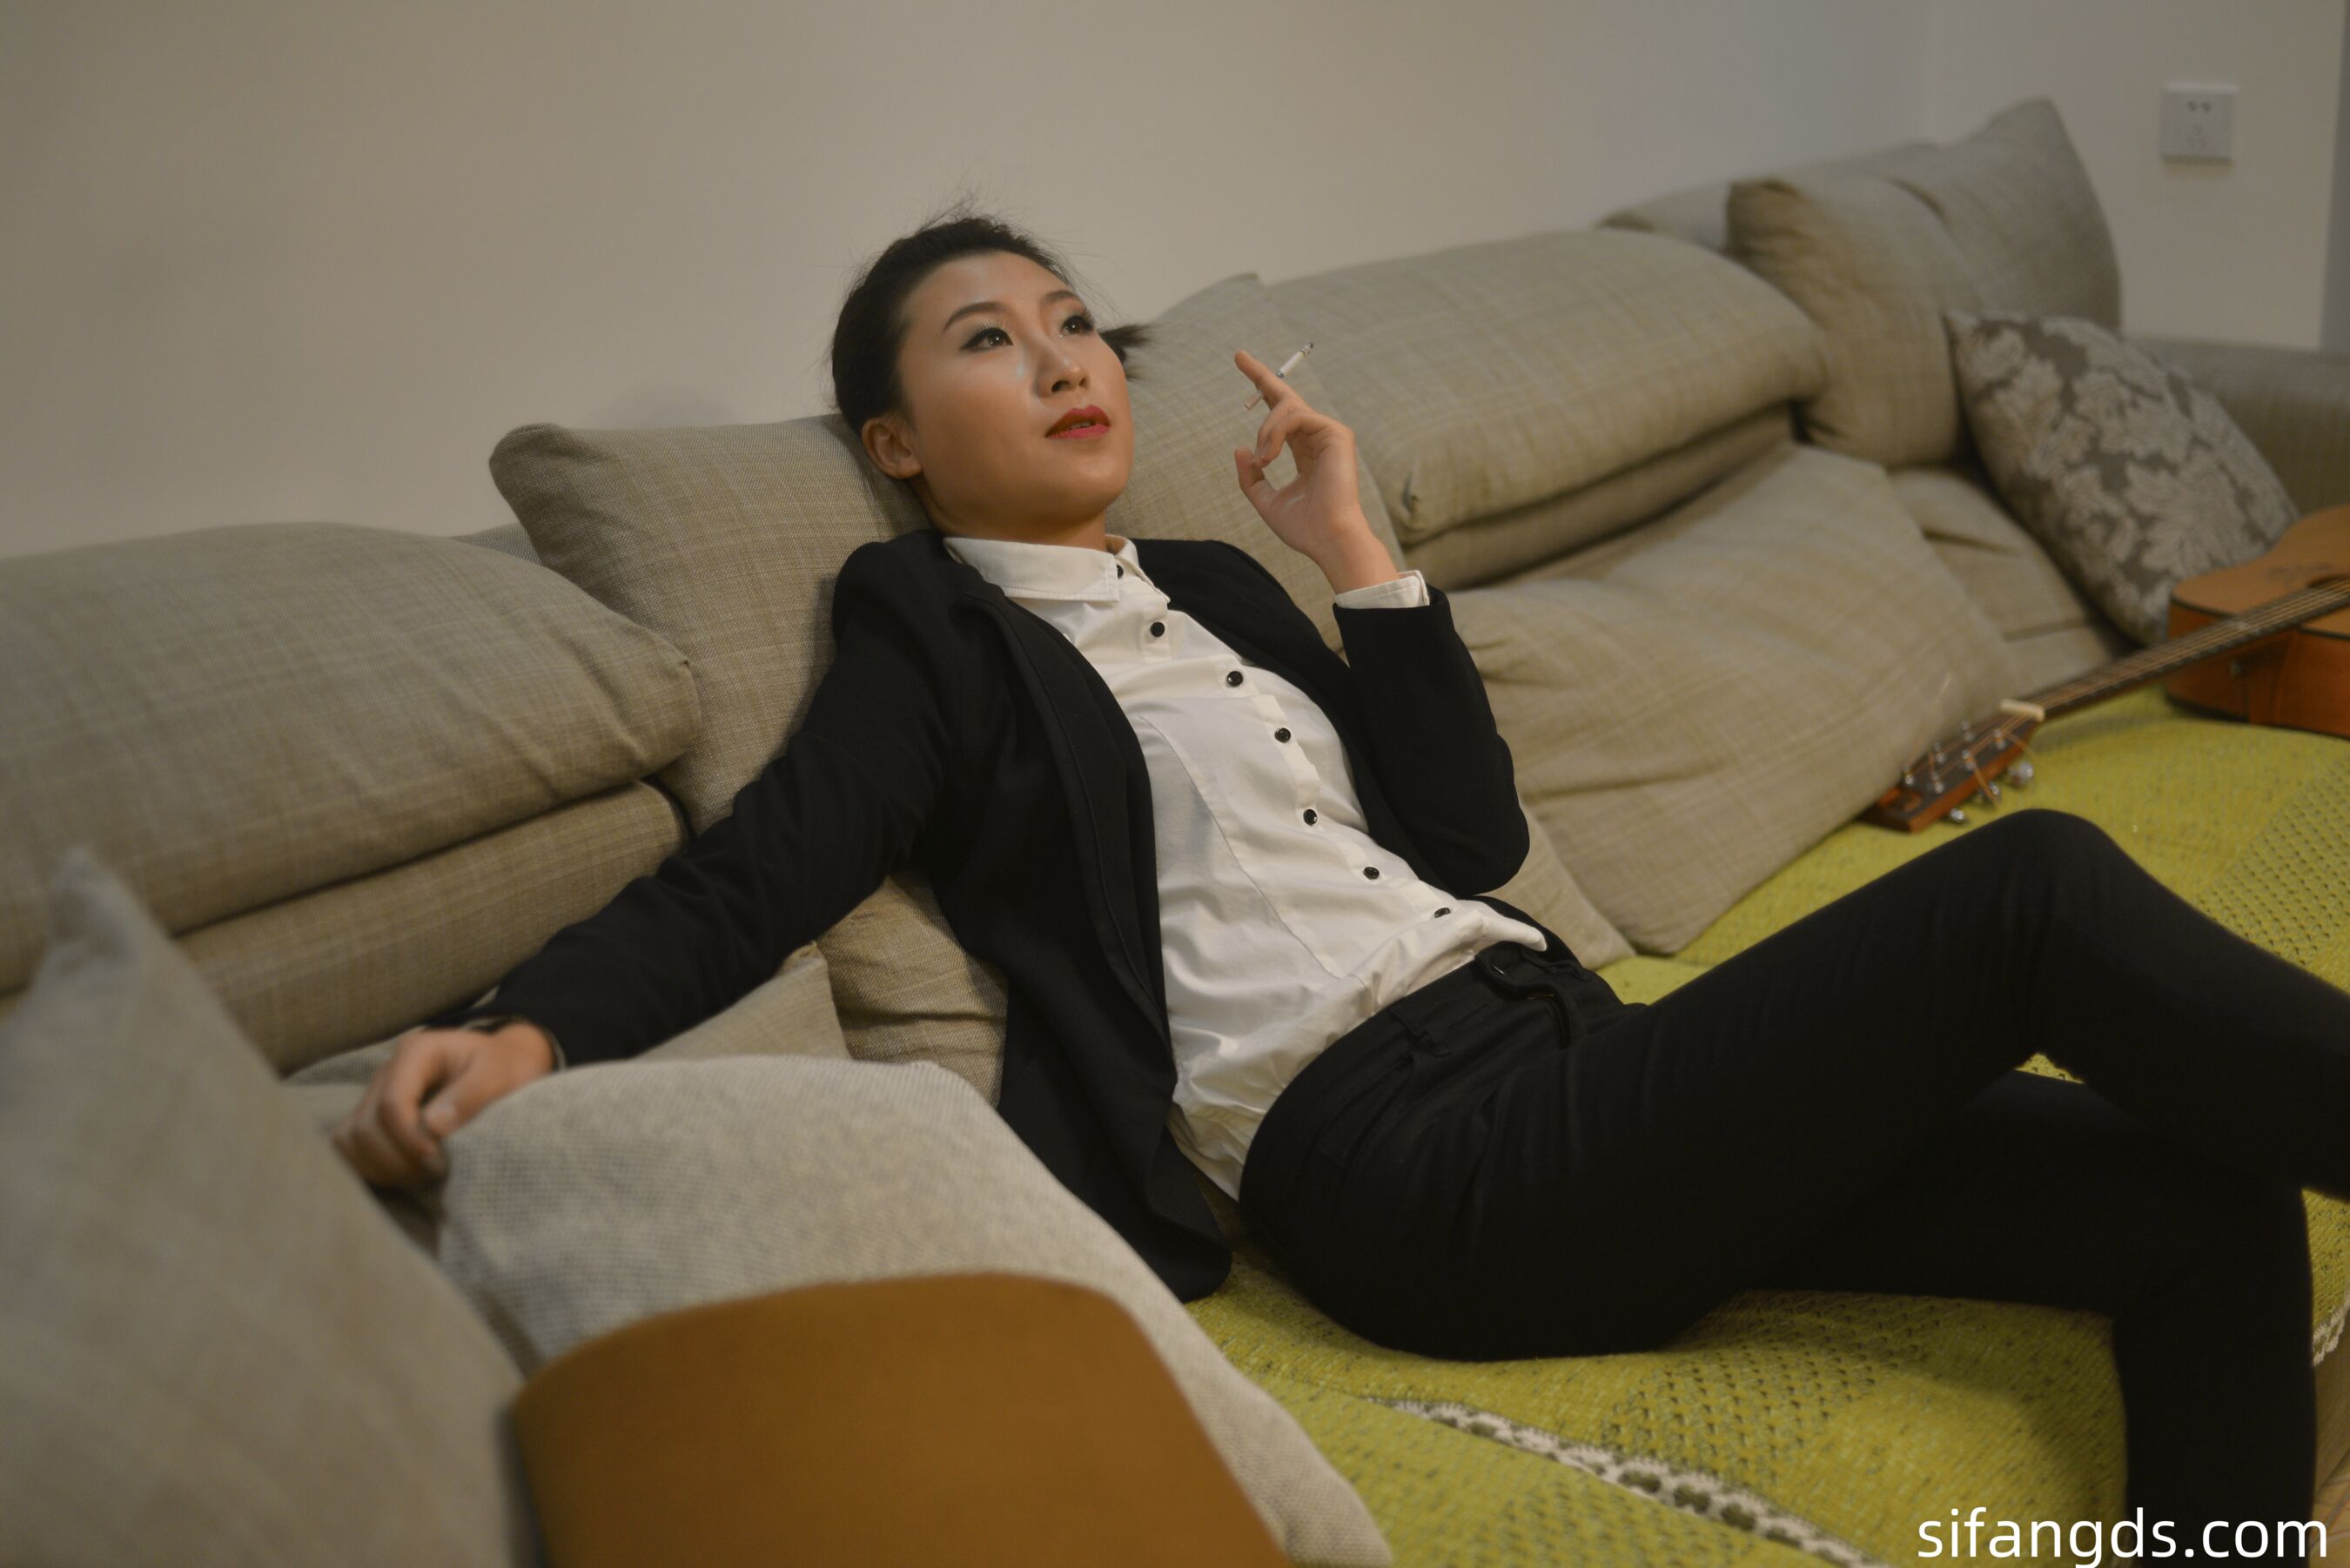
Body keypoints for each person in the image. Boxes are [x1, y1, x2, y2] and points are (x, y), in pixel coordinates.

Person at [334, 199, 2350, 1555]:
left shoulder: (1220, 582)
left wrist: (1359, 550)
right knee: (2030, 889)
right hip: (1419, 1164)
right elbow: (754, 874)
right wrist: (526, 1030)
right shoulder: (928, 629)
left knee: (2202, 1206)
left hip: (1575, 1060)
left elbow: (1460, 840)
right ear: (900, 444)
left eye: (1073, 322)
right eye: (986, 341)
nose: (1059, 357)